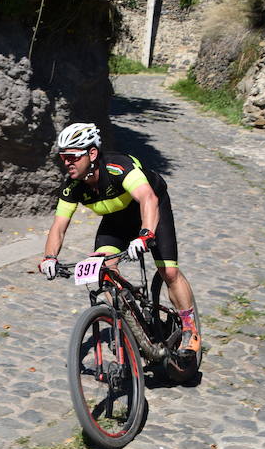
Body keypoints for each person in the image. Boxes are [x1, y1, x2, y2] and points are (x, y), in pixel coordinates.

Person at [38, 122, 200, 356]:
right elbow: (58, 226)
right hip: (115, 221)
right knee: (105, 272)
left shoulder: (117, 167)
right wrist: (49, 257)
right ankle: (129, 324)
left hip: (151, 211)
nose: (66, 162)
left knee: (169, 271)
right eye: (63, 157)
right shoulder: (72, 186)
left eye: (72, 156)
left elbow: (148, 199)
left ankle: (189, 329)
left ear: (91, 153)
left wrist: (145, 235)